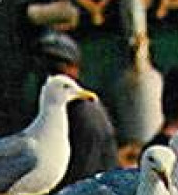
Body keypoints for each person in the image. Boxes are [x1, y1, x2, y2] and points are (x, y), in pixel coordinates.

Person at [36, 30, 119, 186]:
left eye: (56, 68)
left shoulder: (85, 112)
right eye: (44, 65)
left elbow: (85, 179)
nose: (49, 77)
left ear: (75, 68)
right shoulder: (56, 109)